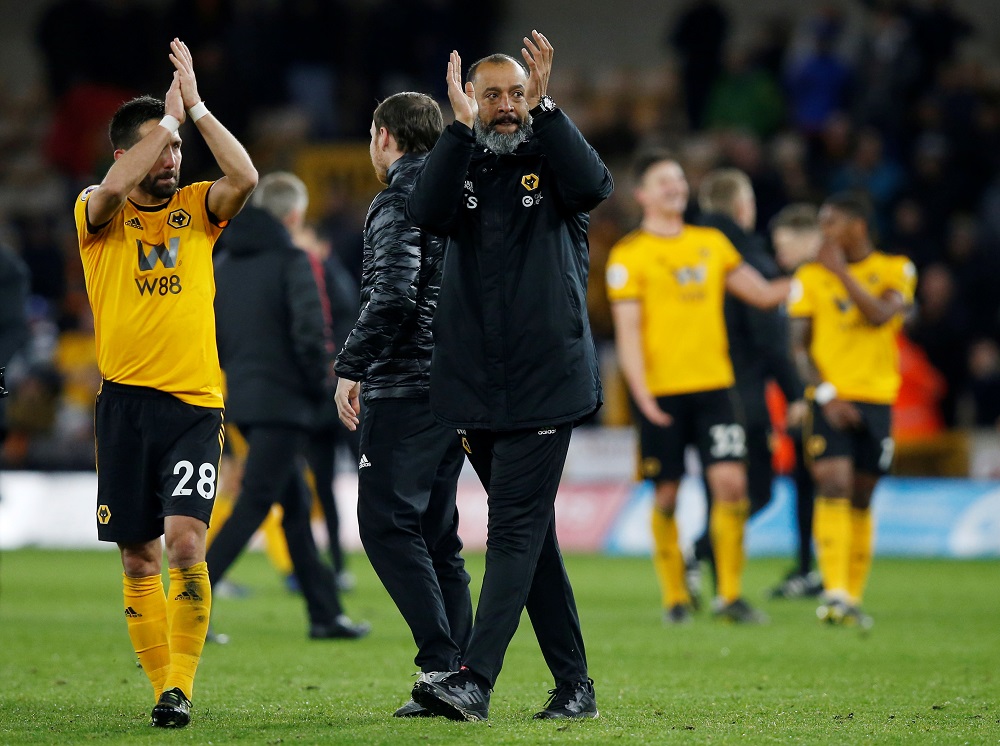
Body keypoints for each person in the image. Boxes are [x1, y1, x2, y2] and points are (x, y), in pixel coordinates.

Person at [407, 32, 611, 722]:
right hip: (475, 384)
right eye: (489, 94)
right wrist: (457, 131)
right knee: (534, 540)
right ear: (470, 99)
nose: (503, 105)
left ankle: (474, 678)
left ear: (531, 97)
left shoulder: (550, 158)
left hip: (545, 380)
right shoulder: (461, 162)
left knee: (514, 530)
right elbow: (423, 212)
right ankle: (574, 685)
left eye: (514, 93)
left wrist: (549, 107)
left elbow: (594, 186)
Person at [73, 39, 257, 728]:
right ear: (126, 152)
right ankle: (159, 686)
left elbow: (247, 175)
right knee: (138, 556)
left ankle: (180, 688)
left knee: (185, 543)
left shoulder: (198, 211)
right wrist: (166, 122)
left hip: (193, 406)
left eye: (176, 149)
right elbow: (113, 188)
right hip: (123, 408)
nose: (174, 159)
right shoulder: (98, 212)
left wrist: (196, 108)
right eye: (163, 147)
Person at [605, 151, 789, 626]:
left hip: (715, 387)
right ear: (642, 194)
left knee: (731, 486)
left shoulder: (712, 243)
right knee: (665, 494)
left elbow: (765, 295)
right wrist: (641, 397)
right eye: (664, 180)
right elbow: (627, 334)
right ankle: (675, 599)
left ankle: (729, 596)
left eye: (680, 179)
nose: (676, 186)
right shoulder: (629, 255)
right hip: (661, 392)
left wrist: (810, 274)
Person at [333, 91, 471, 719]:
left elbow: (393, 295)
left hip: (406, 387)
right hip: (457, 389)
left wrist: (351, 366)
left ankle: (439, 661)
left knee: (386, 523)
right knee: (438, 535)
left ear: (384, 136)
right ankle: (462, 677)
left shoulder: (400, 200)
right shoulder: (461, 196)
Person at [208, 172, 369, 642]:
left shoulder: (225, 264)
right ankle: (188, 601)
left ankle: (325, 614)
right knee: (255, 503)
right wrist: (325, 385)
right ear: (295, 215)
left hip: (244, 396)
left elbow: (216, 333)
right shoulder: (293, 260)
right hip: (286, 403)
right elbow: (309, 332)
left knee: (295, 506)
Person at [789, 192, 916, 628]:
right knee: (833, 483)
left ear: (857, 226)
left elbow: (882, 314)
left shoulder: (896, 269)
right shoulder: (808, 276)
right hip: (828, 398)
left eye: (831, 224)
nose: (823, 235)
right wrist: (825, 393)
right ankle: (835, 592)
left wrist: (841, 273)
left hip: (878, 397)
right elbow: (798, 347)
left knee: (862, 493)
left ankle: (852, 595)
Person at [693, 170, 807, 599]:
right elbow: (770, 338)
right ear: (744, 208)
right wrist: (795, 392)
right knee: (754, 489)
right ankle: (709, 565)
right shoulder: (748, 261)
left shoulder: (688, 253)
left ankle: (717, 579)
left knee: (715, 486)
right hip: (740, 394)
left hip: (686, 387)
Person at [767, 203, 824, 598]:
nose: (780, 253)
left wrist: (803, 395)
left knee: (821, 481)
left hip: (825, 396)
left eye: (786, 244)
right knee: (806, 481)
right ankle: (809, 567)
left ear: (810, 240)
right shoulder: (799, 281)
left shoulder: (814, 281)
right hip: (810, 396)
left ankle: (822, 571)